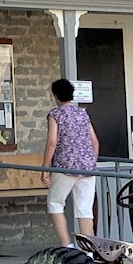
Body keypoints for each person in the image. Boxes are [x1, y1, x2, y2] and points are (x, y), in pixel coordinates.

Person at [40, 78, 100, 247]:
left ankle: (67, 246)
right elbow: (95, 142)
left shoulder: (55, 114)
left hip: (64, 166)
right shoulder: (82, 113)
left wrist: (45, 169)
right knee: (85, 209)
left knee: (55, 203)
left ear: (56, 96)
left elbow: (52, 142)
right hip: (87, 167)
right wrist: (89, 162)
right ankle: (88, 251)